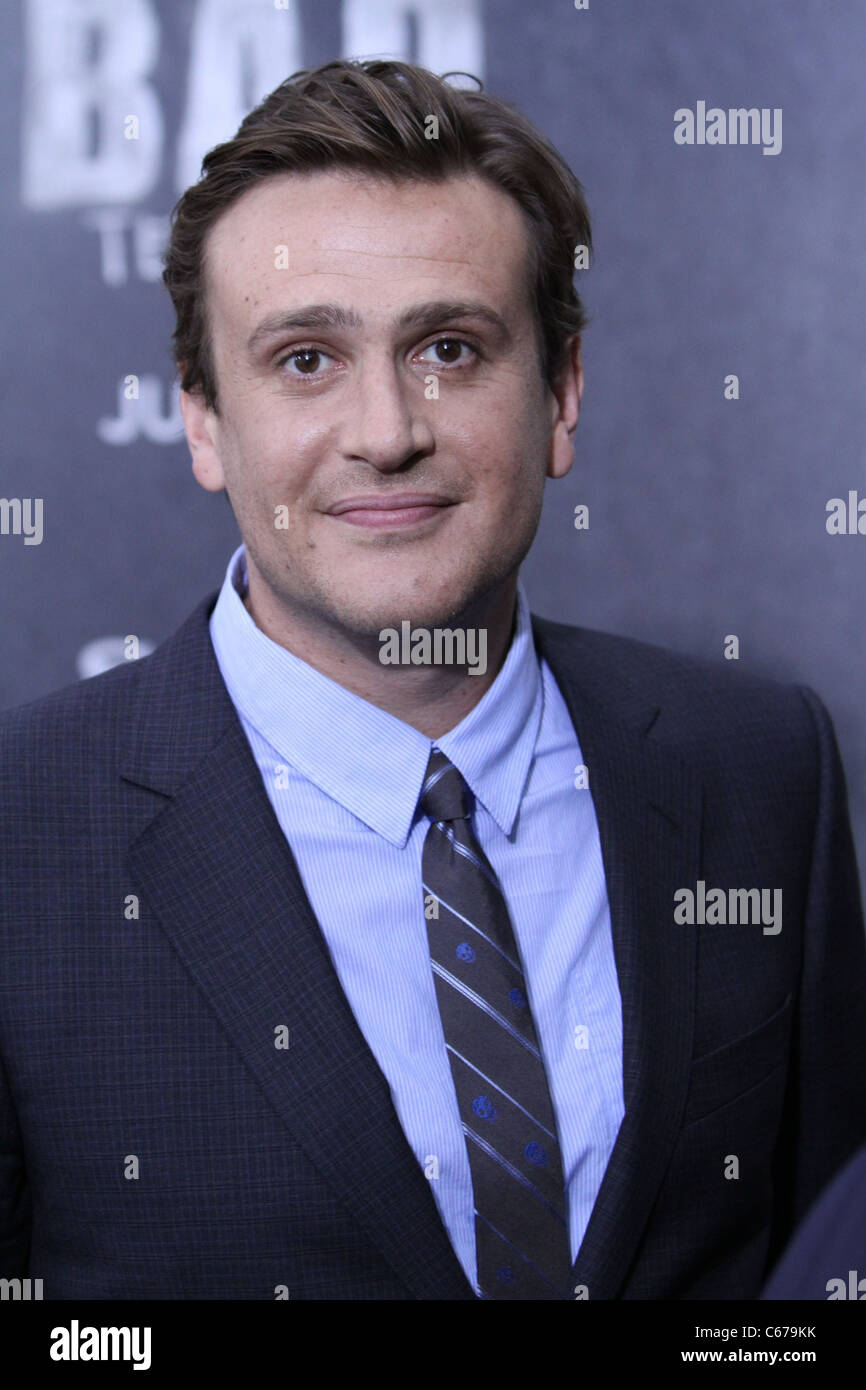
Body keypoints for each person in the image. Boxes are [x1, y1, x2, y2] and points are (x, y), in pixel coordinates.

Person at [1, 58, 865, 1302]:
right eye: (306, 359)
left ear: (559, 393)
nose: (387, 431)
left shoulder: (758, 769)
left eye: (449, 349)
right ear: (202, 420)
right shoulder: (22, 831)